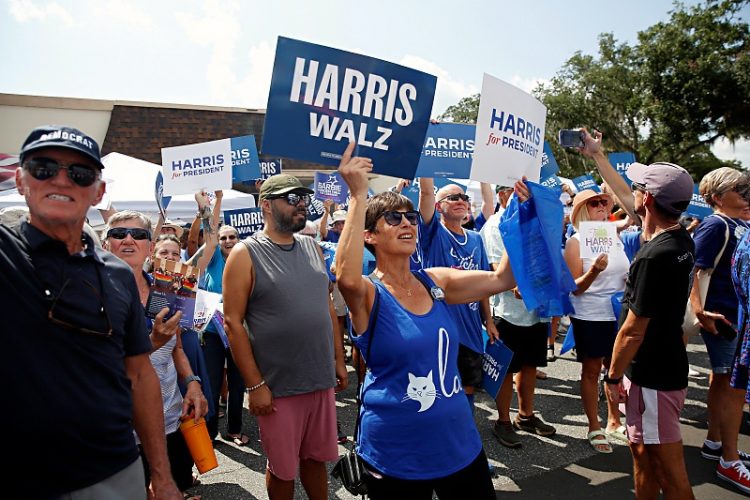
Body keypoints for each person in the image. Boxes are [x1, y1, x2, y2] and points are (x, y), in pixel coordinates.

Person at [2, 125, 181, 499]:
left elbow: (140, 375)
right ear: (20, 179)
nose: (62, 180)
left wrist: (161, 475)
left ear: (98, 191)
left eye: (80, 173)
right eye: (44, 167)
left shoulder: (115, 274)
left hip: (113, 471)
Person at [336, 142, 523, 499]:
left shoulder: (435, 280)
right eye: (393, 218)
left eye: (409, 217)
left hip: (459, 444)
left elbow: (502, 280)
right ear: (370, 236)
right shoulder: (369, 294)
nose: (406, 222)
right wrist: (358, 196)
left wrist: (515, 213)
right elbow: (345, 277)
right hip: (396, 452)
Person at [222, 173, 348, 500]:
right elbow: (233, 323)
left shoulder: (312, 247)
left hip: (318, 380)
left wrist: (338, 360)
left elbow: (325, 309)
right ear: (266, 205)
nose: (302, 205)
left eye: (303, 199)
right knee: (282, 469)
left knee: (316, 459)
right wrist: (255, 386)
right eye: (292, 199)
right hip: (277, 388)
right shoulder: (244, 253)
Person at [605, 161, 696, 499]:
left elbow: (632, 331)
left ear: (647, 200)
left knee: (668, 473)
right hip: (665, 366)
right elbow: (634, 205)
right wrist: (598, 156)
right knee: (643, 456)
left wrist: (612, 379)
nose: (634, 194)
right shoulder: (680, 239)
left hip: (652, 376)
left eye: (638, 189)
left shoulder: (654, 255)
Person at [105, 211, 209, 498]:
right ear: (106, 245)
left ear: (150, 247)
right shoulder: (94, 293)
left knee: (172, 485)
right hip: (123, 423)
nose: (128, 239)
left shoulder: (165, 288)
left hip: (169, 416)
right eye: (118, 234)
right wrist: (151, 342)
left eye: (138, 235)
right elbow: (103, 363)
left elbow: (175, 347)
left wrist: (192, 382)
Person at [691, 168, 750, 490]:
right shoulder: (716, 224)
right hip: (722, 316)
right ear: (716, 197)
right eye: (737, 188)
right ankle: (730, 461)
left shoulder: (739, 223)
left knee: (724, 379)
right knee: (733, 386)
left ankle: (716, 442)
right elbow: (694, 268)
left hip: (736, 315)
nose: (744, 192)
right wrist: (700, 311)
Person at [417, 176, 498, 412]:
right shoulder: (433, 233)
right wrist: (426, 171)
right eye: (453, 197)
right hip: (440, 326)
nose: (461, 200)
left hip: (471, 328)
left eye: (464, 197)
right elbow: (425, 194)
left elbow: (483, 283)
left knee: (468, 385)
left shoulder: (476, 238)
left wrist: (489, 320)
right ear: (438, 205)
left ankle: (466, 434)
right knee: (440, 387)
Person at [481, 215, 556, 448]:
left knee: (529, 364)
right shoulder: (496, 223)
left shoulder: (538, 218)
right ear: (505, 194)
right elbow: (494, 264)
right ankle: (503, 421)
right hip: (507, 311)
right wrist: (516, 286)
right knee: (506, 368)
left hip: (537, 308)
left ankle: (525, 416)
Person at [564, 190, 629, 453]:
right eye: (595, 203)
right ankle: (594, 425)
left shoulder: (614, 235)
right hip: (591, 313)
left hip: (618, 312)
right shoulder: (576, 242)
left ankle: (615, 420)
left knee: (616, 368)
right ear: (582, 210)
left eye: (605, 202)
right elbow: (574, 288)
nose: (603, 206)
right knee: (592, 370)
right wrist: (593, 271)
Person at [186, 193, 249, 446]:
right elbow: (209, 238)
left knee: (237, 384)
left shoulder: (248, 258)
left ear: (239, 239)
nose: (227, 240)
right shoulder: (211, 259)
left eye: (232, 236)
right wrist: (207, 210)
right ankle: (210, 431)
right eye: (223, 237)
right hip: (211, 332)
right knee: (211, 384)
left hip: (239, 332)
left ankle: (234, 429)